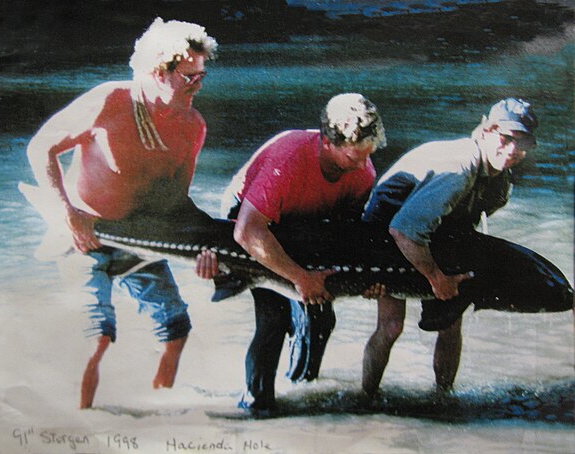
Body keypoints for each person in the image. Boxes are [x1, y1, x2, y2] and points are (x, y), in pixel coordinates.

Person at [26, 17, 217, 409]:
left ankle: (161, 411)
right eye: (189, 77)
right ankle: (81, 426)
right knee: (97, 337)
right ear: (156, 71)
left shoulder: (192, 127)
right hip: (84, 235)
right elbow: (40, 148)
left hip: (139, 239)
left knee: (176, 330)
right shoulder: (110, 101)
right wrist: (67, 214)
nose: (198, 85)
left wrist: (204, 248)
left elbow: (176, 204)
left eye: (202, 75)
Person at [196, 93, 387, 416]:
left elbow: (349, 236)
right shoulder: (289, 159)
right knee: (274, 319)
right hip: (250, 218)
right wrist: (300, 277)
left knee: (321, 317)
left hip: (305, 221)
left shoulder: (362, 170)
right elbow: (247, 231)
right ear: (328, 142)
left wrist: (368, 279)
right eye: (355, 156)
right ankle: (256, 407)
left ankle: (301, 395)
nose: (362, 165)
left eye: (368, 155)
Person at [361, 98, 538, 398]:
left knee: (450, 324)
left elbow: (463, 230)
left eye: (521, 143)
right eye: (505, 138)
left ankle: (443, 398)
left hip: (432, 234)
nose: (511, 150)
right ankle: (366, 398)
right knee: (391, 326)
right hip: (385, 235)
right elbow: (402, 229)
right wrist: (436, 278)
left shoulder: (500, 183)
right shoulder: (458, 167)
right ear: (485, 132)